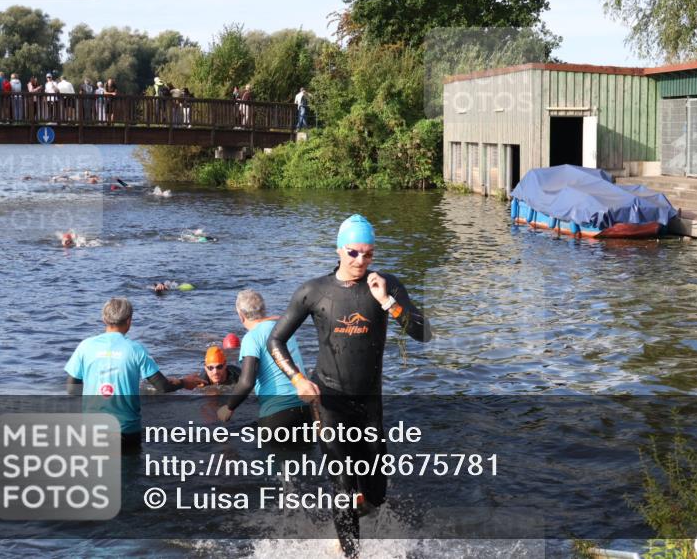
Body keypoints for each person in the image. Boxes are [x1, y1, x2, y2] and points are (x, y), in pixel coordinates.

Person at [266, 214, 432, 558]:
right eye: (354, 253)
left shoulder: (387, 285)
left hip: (369, 405)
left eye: (369, 254)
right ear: (340, 250)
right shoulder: (314, 291)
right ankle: (350, 553)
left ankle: (351, 517)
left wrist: (387, 301)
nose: (361, 261)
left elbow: (423, 333)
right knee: (341, 483)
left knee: (375, 494)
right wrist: (297, 378)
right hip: (328, 402)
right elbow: (276, 341)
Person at [64, 297, 194, 453]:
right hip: (126, 431)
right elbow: (162, 386)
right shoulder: (136, 349)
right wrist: (184, 382)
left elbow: (72, 390)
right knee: (128, 474)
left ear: (104, 319)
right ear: (129, 321)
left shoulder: (84, 346)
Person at [217, 291, 312, 449]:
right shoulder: (283, 328)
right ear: (264, 309)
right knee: (303, 467)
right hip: (305, 408)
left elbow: (247, 382)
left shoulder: (251, 337)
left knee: (273, 469)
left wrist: (229, 407)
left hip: (276, 413)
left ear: (241, 315)